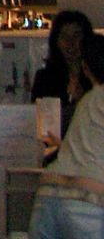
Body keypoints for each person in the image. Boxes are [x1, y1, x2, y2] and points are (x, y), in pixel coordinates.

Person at [33, 33, 104, 238]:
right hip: (89, 200)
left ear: (86, 68)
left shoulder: (86, 101)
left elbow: (84, 153)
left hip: (48, 192)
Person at [34, 11, 97, 135]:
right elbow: (43, 128)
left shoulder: (98, 77)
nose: (70, 42)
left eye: (76, 35)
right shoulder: (45, 78)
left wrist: (82, 99)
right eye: (64, 36)